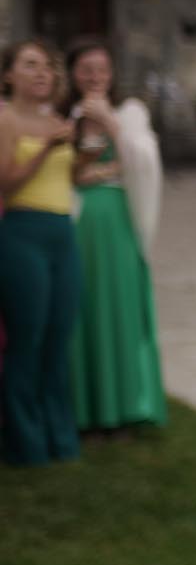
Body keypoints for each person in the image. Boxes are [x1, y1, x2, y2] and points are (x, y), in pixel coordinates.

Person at [66, 39, 167, 435]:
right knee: (81, 312)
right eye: (86, 69)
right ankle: (83, 407)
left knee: (117, 307)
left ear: (112, 74)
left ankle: (125, 404)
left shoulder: (130, 112)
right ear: (73, 73)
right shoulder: (63, 114)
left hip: (117, 223)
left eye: (102, 69)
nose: (94, 77)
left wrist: (110, 124)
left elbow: (143, 164)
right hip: (74, 223)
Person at [0, 40, 83, 465]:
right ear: (9, 75)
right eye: (30, 65)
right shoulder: (6, 118)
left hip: (62, 233)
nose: (42, 74)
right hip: (21, 232)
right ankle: (24, 443)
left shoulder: (56, 119)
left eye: (47, 67)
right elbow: (6, 184)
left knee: (58, 337)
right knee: (27, 338)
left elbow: (69, 177)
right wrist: (48, 149)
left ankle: (60, 439)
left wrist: (84, 158)